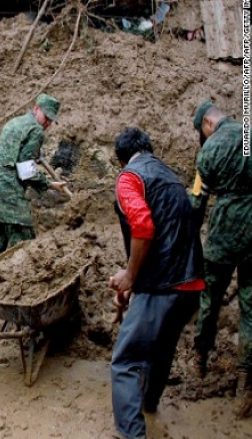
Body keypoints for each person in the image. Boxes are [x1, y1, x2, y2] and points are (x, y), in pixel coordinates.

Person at [109, 127, 204, 438]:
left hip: (161, 287)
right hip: (190, 285)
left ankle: (131, 434)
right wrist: (133, 282)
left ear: (121, 159)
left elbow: (144, 226)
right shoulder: (172, 177)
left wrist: (130, 276)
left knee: (125, 362)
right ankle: (149, 405)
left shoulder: (130, 178)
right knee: (162, 350)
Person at [190, 100, 252, 417]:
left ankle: (200, 359)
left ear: (206, 125)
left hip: (225, 233)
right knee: (250, 306)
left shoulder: (208, 151)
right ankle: (245, 380)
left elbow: (196, 204)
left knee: (210, 296)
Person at [0, 93, 66, 262]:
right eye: (46, 117)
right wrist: (49, 184)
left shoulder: (15, 122)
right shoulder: (36, 131)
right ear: (36, 109)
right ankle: (12, 282)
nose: (47, 123)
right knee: (23, 240)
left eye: (51, 120)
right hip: (9, 191)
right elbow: (26, 170)